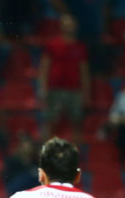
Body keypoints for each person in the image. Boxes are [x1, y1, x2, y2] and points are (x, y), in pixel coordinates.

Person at [38, 14, 90, 143]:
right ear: (61, 26)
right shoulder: (52, 44)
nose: (68, 27)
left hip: (75, 90)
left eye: (70, 24)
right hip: (55, 89)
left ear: (75, 26)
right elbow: (44, 67)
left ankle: (75, 153)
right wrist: (42, 88)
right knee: (49, 121)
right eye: (66, 24)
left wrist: (85, 92)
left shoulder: (80, 47)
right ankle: (46, 152)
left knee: (77, 122)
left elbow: (84, 71)